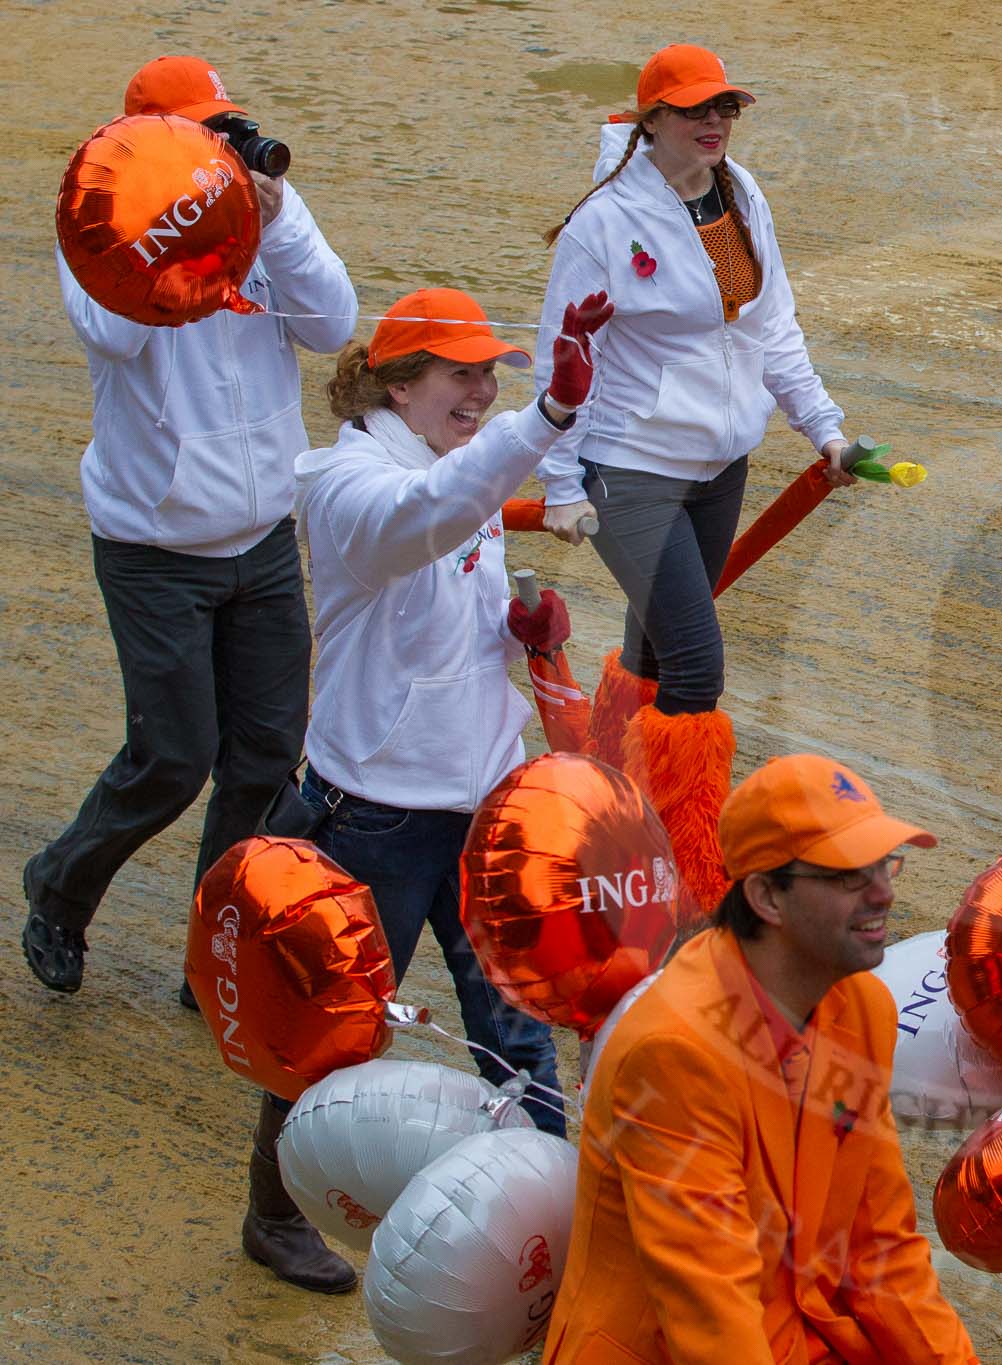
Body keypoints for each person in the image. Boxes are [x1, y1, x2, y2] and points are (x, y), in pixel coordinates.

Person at [23, 55, 356, 995]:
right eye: (203, 132)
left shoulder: (266, 212)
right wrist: (182, 226)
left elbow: (332, 326)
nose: (224, 147)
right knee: (172, 757)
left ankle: (214, 953)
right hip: (152, 545)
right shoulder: (95, 220)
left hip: (259, 538)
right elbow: (118, 334)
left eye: (228, 127)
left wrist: (275, 219)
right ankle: (59, 884)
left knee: (261, 758)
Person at [533, 42, 858, 917]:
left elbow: (773, 327)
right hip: (628, 468)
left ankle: (605, 798)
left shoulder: (743, 195)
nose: (715, 123)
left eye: (726, 109)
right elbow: (565, 352)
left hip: (720, 466)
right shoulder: (605, 223)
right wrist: (560, 483)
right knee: (697, 666)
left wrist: (823, 428)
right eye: (694, 111)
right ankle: (685, 878)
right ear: (651, 120)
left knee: (653, 646)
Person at [295, 286, 613, 1144]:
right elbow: (426, 517)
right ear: (399, 386)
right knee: (340, 1031)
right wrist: (545, 415)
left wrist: (516, 636)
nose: (481, 393)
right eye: (460, 373)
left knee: (518, 1031)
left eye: (491, 375)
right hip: (378, 810)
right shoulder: (347, 486)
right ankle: (276, 1212)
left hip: (481, 799)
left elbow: (450, 583)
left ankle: (554, 1205)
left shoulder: (454, 460)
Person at [546, 754, 977, 1364]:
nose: (884, 893)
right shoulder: (674, 1053)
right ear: (767, 897)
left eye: (885, 864)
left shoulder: (863, 1008)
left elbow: (880, 1246)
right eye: (850, 875)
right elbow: (711, 1311)